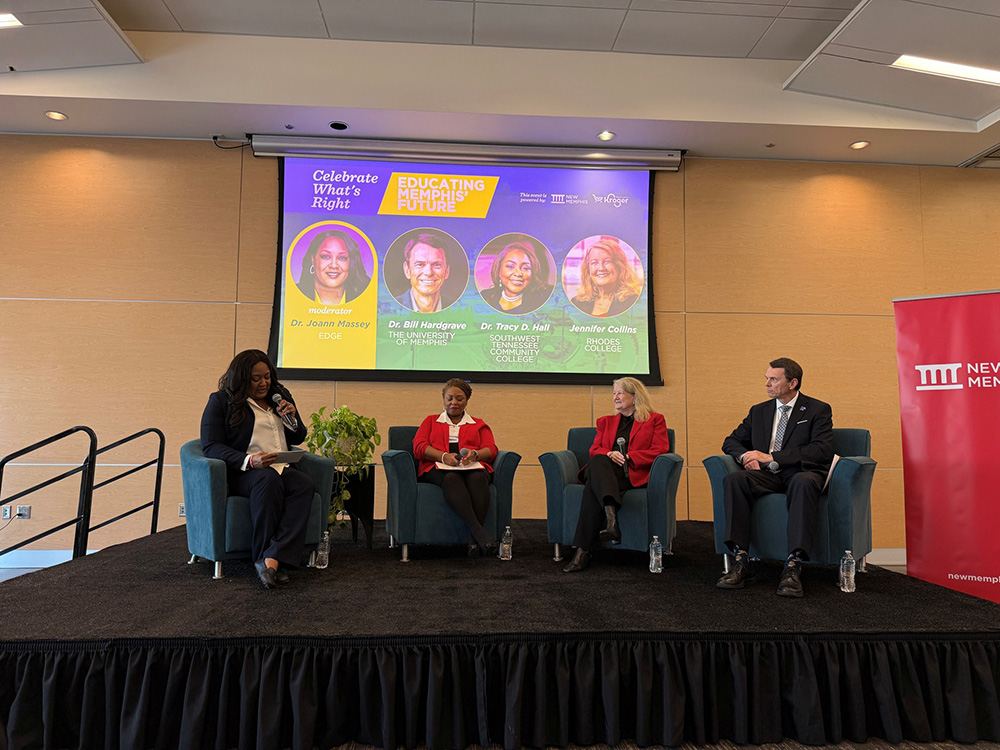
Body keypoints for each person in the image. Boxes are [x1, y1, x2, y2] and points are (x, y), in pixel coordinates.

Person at [716, 357, 834, 598]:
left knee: (803, 482)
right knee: (735, 480)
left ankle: (793, 565)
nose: (767, 384)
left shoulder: (817, 409)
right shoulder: (759, 411)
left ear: (793, 383)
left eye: (773, 379)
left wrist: (772, 456)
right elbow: (731, 441)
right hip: (768, 475)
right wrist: (745, 456)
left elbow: (821, 449)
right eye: (767, 378)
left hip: (800, 472)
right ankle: (741, 560)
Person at [200, 349, 314, 589]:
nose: (264, 383)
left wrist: (292, 419)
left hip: (280, 467)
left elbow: (299, 436)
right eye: (256, 378)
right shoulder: (220, 401)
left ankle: (273, 558)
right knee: (267, 480)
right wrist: (250, 460)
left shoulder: (280, 396)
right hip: (244, 471)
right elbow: (211, 445)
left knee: (303, 484)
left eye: (267, 377)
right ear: (242, 378)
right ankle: (264, 557)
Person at [563, 377, 670, 573]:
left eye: (620, 393)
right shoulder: (606, 422)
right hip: (604, 470)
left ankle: (583, 551)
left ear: (635, 396)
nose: (615, 397)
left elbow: (660, 450)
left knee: (592, 486)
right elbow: (595, 449)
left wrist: (629, 456)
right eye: (614, 393)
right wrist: (609, 454)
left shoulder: (655, 420)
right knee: (598, 460)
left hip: (629, 473)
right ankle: (611, 521)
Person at [413, 378, 499, 558]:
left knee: (478, 478)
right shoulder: (430, 421)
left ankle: (473, 542)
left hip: (471, 466)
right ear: (443, 399)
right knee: (452, 479)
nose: (454, 402)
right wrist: (443, 456)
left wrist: (475, 455)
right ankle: (480, 534)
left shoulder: (478, 424)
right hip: (437, 467)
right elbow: (419, 447)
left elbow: (491, 449)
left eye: (459, 399)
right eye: (450, 398)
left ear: (467, 401)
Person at [570, 238, 643, 317]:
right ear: (588, 270)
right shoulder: (576, 303)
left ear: (619, 267)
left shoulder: (633, 302)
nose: (601, 268)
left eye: (607, 261)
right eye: (594, 262)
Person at [296, 229, 372, 305]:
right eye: (326, 256)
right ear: (313, 260)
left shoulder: (367, 299)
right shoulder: (293, 294)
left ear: (350, 262)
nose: (334, 265)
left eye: (342, 258)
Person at [480, 240, 553, 314]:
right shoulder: (486, 297)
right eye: (510, 266)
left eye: (525, 268)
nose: (518, 273)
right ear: (498, 270)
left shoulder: (544, 299)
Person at [396, 232, 454, 313]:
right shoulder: (392, 306)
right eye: (420, 265)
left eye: (437, 265)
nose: (428, 273)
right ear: (407, 270)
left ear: (447, 271)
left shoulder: (458, 308)